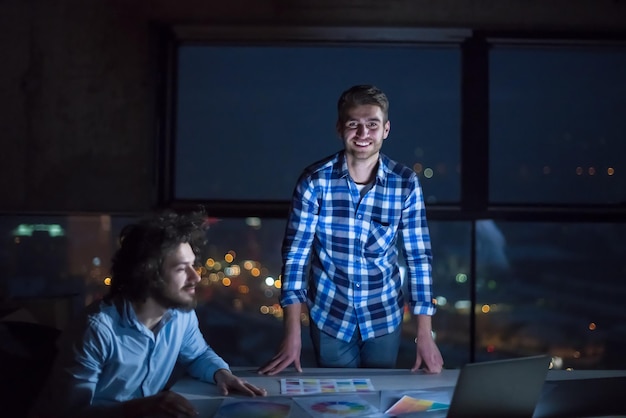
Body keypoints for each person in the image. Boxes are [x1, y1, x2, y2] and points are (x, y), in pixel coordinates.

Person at [258, 84, 444, 375]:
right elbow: (295, 258)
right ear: (339, 128)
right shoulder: (314, 181)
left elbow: (419, 259)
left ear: (386, 129)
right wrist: (292, 333)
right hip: (330, 316)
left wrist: (425, 335)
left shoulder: (405, 182)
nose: (363, 133)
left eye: (372, 124)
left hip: (384, 316)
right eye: (353, 124)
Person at [30, 210, 266, 418]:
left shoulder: (181, 316)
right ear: (150, 274)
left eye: (193, 265)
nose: (195, 277)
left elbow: (198, 355)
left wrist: (221, 374)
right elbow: (67, 414)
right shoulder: (96, 329)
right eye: (182, 269)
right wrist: (139, 409)